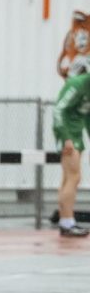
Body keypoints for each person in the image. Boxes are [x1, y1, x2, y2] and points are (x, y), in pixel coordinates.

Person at [53, 61, 90, 237]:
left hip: (76, 133)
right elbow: (59, 109)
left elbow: (88, 115)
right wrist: (65, 136)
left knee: (68, 178)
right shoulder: (78, 84)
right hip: (68, 134)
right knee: (74, 177)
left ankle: (65, 220)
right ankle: (67, 222)